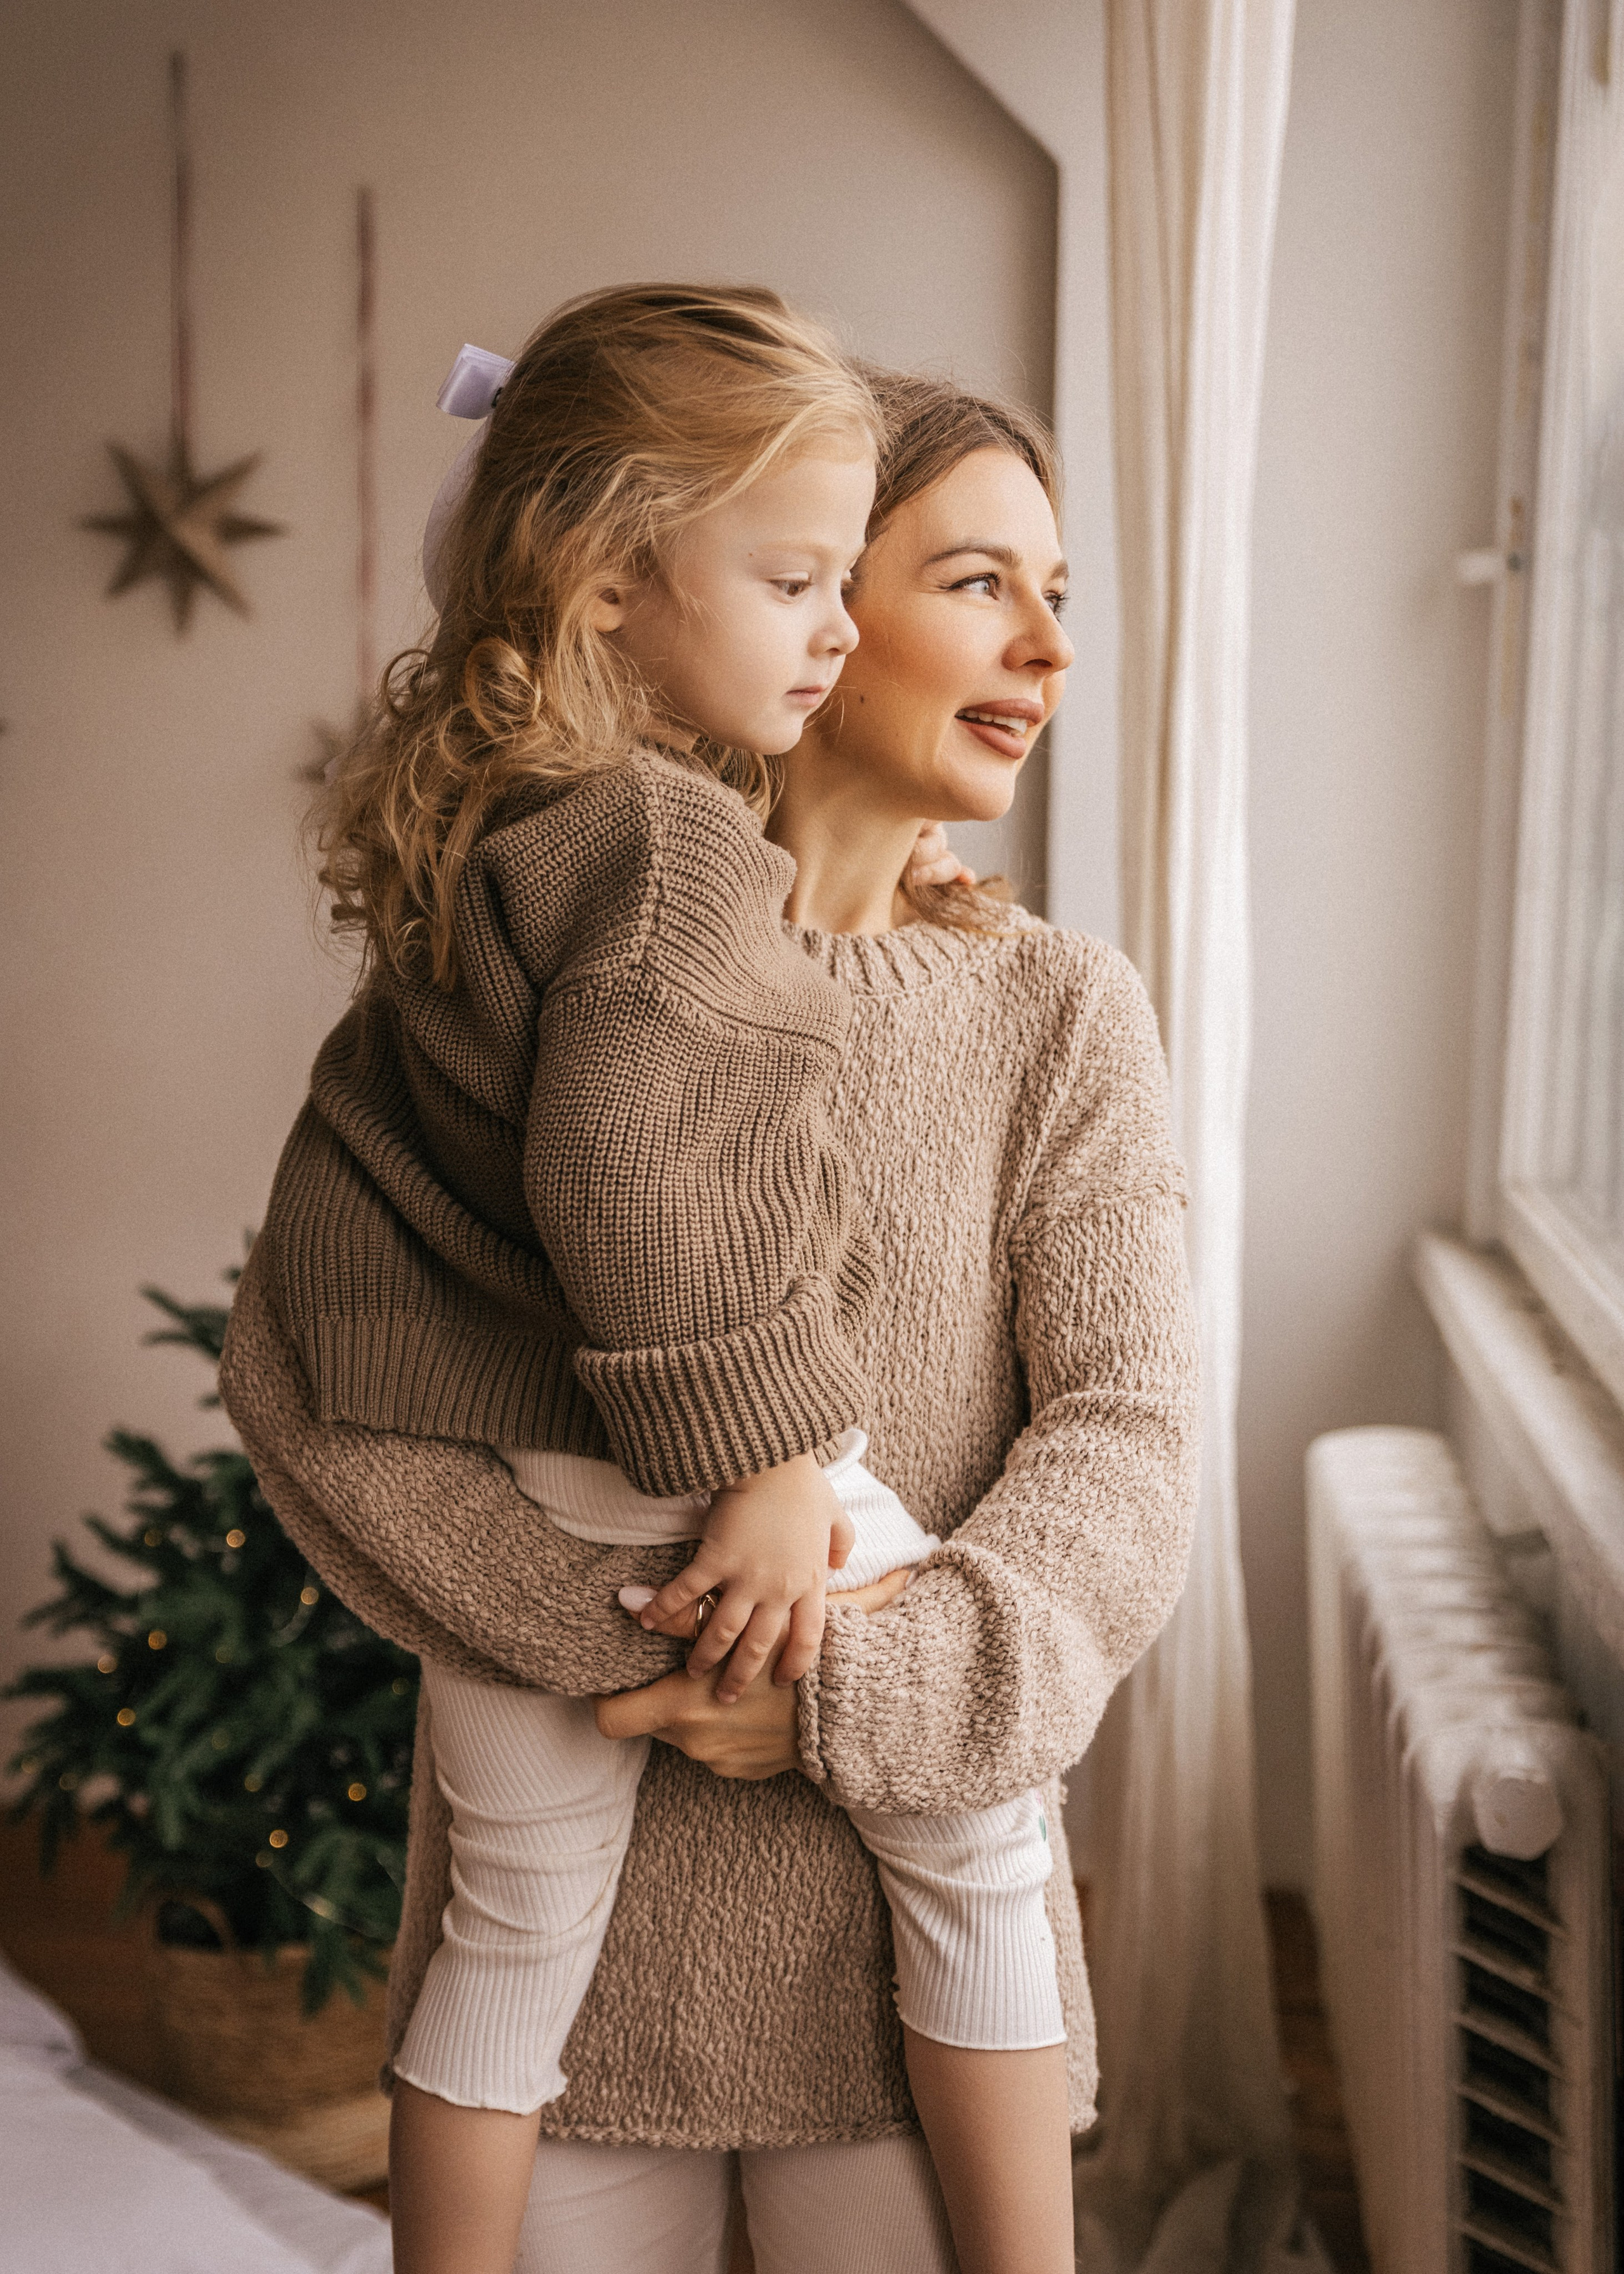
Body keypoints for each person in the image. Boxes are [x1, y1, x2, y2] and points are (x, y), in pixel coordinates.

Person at [220, 364, 1200, 2274]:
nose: (1050, 645)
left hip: (896, 2014)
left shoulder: (1062, 1015)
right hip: (572, 2018)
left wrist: (833, 1691)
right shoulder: (539, 945)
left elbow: (1128, 1451)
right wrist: (645, 1635)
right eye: (980, 579)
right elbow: (315, 1375)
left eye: (1059, 591)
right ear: (811, 601)